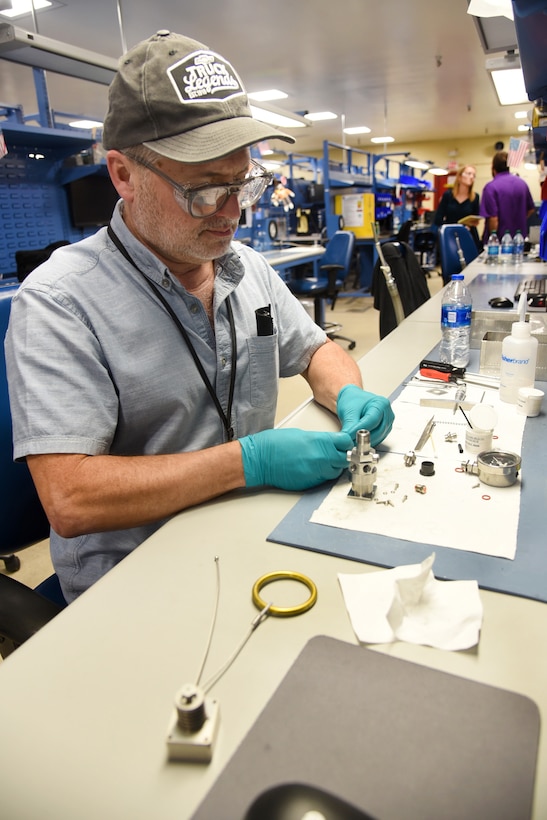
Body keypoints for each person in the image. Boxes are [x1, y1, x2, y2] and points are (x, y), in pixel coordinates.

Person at [4, 30, 394, 603]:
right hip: (137, 582)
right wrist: (250, 462)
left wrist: (348, 394)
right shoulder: (60, 301)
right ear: (123, 175)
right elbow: (71, 498)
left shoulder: (248, 269)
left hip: (251, 534)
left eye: (243, 183)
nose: (233, 212)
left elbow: (316, 350)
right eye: (205, 191)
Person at [480, 151, 536, 243]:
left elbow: (493, 218)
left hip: (500, 242)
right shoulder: (522, 184)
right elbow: (531, 209)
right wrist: (518, 219)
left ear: (493, 168)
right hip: (520, 240)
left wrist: (493, 240)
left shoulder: (491, 187)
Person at [434, 165, 482, 250]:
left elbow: (476, 219)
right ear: (459, 177)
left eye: (474, 175)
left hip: (468, 236)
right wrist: (452, 227)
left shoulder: (475, 197)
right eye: (469, 174)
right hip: (450, 236)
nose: (471, 177)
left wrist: (471, 224)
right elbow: (438, 219)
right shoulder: (448, 195)